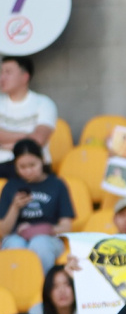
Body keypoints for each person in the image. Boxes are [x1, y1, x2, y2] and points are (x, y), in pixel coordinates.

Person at [0, 140, 74, 276]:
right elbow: (3, 231)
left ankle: (43, 285)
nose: (28, 171)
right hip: (16, 237)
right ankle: (17, 285)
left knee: (39, 243)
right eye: (22, 167)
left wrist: (40, 229)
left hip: (48, 238)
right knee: (15, 245)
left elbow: (66, 227)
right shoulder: (10, 186)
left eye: (32, 165)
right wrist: (15, 207)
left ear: (42, 160)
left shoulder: (57, 185)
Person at [0, 56, 59, 177]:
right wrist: (26, 137)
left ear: (25, 77)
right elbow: (32, 140)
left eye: (8, 72)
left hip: (32, 165)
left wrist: (5, 144)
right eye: (1, 72)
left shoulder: (43, 103)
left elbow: (39, 139)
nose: (2, 77)